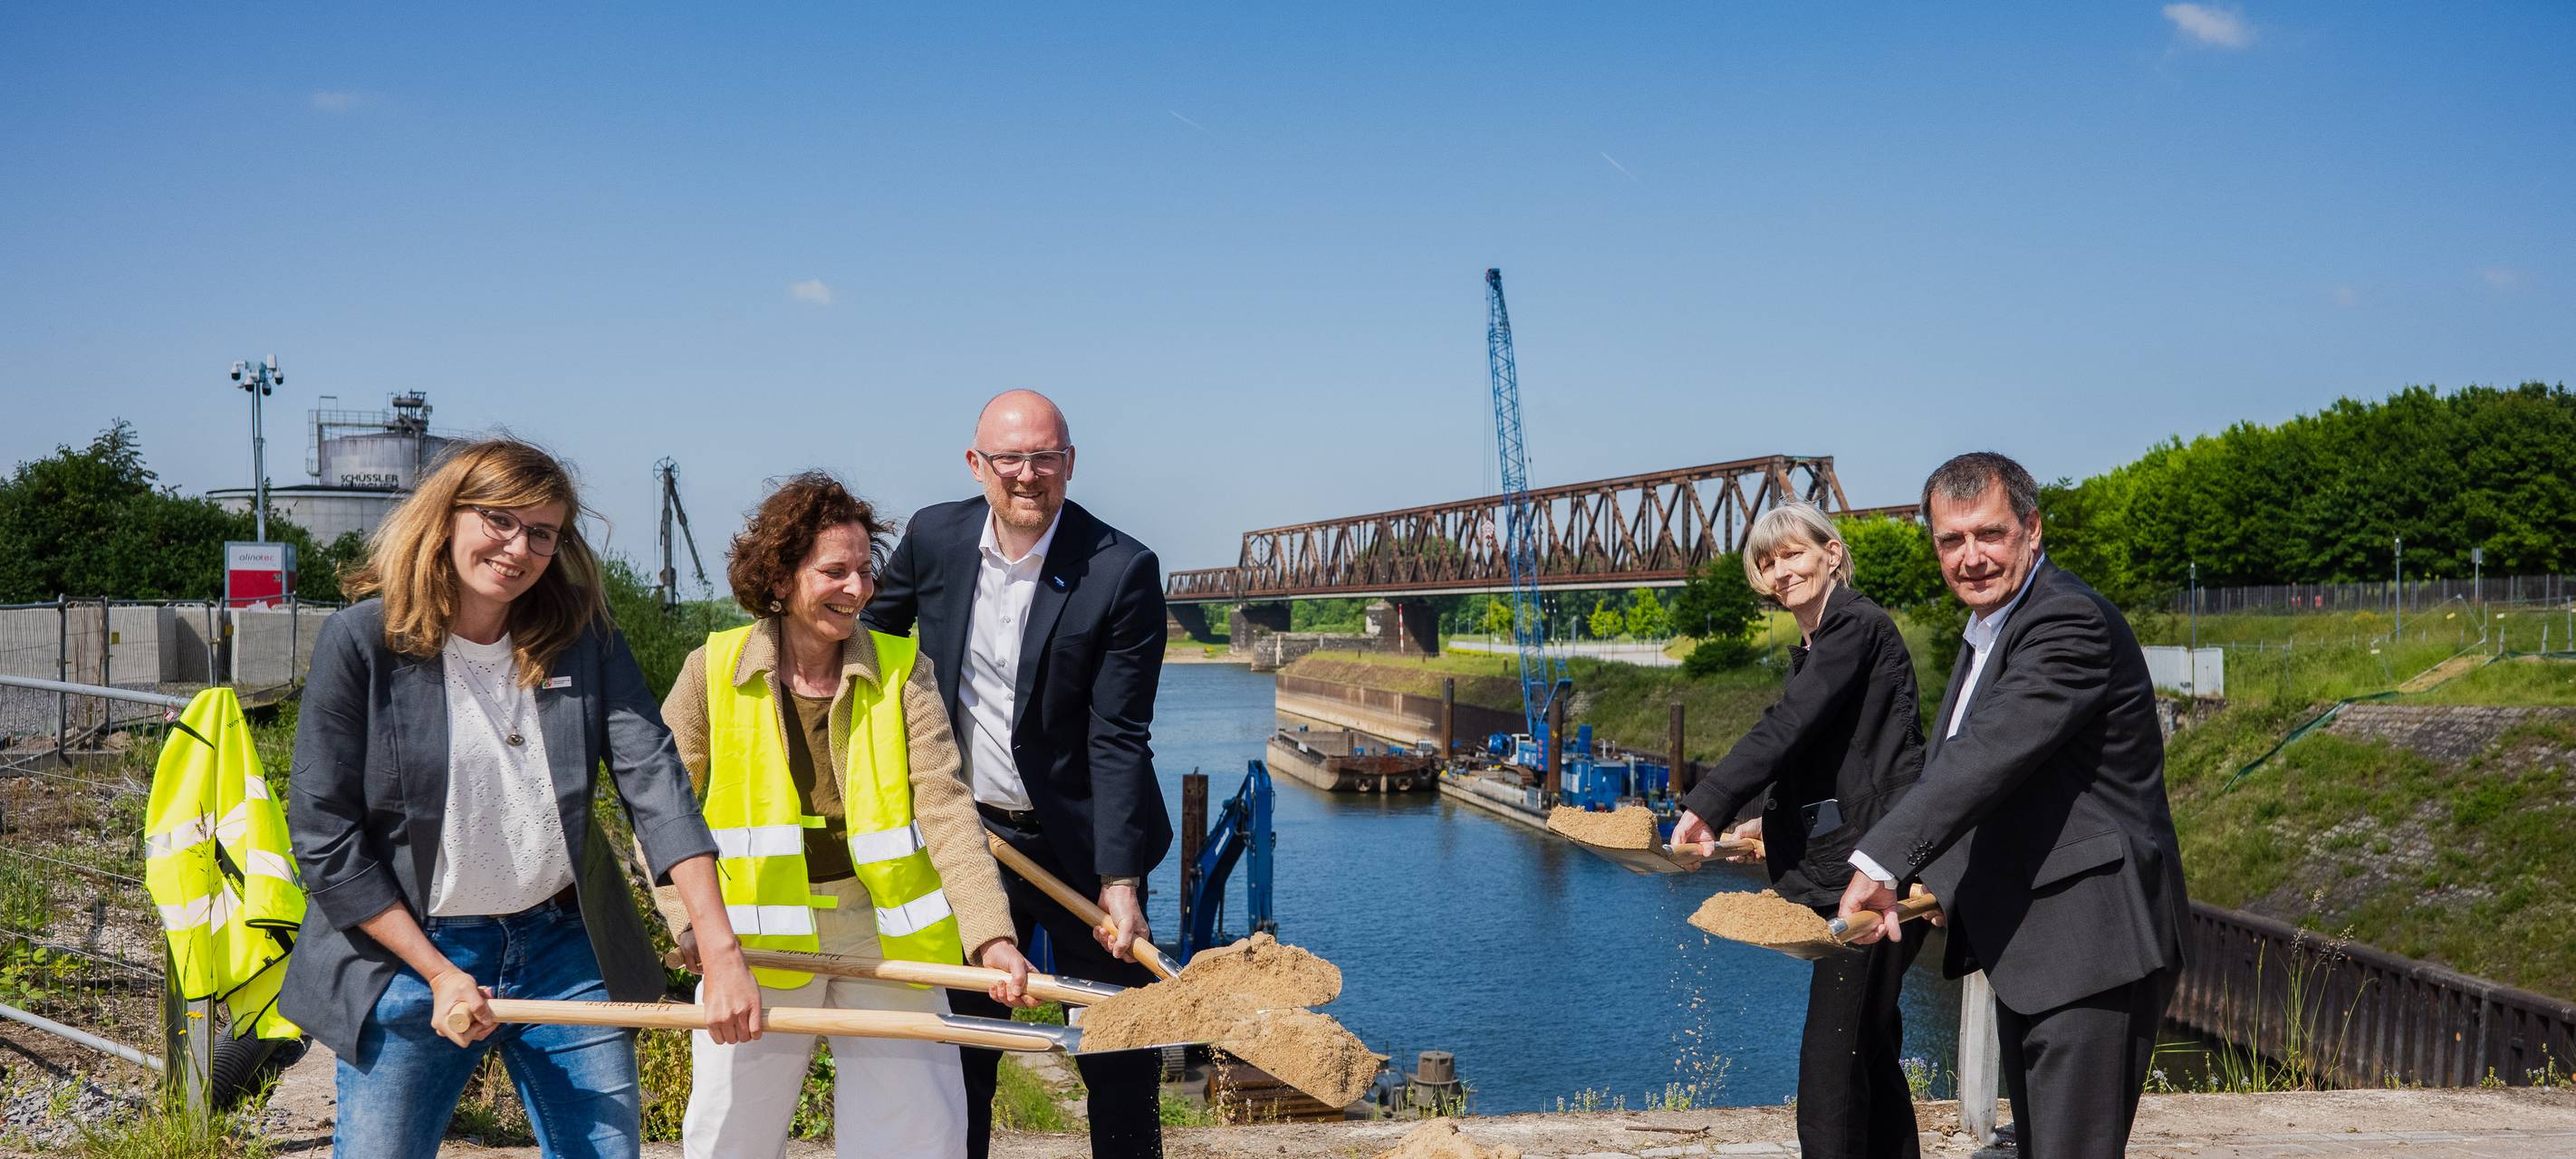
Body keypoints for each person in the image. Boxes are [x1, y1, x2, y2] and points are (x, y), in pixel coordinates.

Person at [282, 438, 761, 1159]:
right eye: (500, 520)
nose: (519, 547)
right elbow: (324, 835)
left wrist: (721, 950)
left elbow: (656, 782)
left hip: (563, 948)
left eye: (542, 532)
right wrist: (441, 975)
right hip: (412, 958)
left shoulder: (584, 641)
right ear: (446, 518)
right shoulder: (363, 643)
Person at [653, 471, 1039, 1159]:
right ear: (778, 577)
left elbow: (946, 808)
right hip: (750, 942)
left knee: (918, 1135)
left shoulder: (901, 669)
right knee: (727, 1134)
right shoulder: (710, 672)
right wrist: (689, 926)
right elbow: (659, 811)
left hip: (883, 936)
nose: (858, 588)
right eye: (835, 571)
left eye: (866, 569)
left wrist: (991, 939)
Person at [1838, 452, 2187, 1158]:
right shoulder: (1993, 628)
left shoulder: (2066, 622)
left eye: (1988, 534)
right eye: (1951, 540)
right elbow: (1981, 782)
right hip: (2039, 944)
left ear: (2031, 529)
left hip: (2093, 942)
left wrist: (1881, 861)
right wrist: (1931, 878)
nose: (1971, 557)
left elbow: (1988, 755)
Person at [864, 388, 1171, 1159]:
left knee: (1118, 1046)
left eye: (1045, 457)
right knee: (966, 1048)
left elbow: (1120, 733)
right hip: (972, 841)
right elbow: (870, 635)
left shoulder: (1120, 568)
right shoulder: (935, 536)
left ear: (1070, 463)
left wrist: (1121, 878)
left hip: (1079, 840)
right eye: (1010, 458)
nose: (1027, 475)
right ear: (978, 464)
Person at [1668, 503, 1929, 1159]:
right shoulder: (1819, 643)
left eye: (1792, 554)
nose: (1780, 571)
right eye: (1767, 561)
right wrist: (1759, 817)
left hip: (1880, 872)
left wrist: (1708, 806)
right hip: (1863, 858)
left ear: (1832, 553)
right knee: (1868, 1048)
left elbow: (1789, 724)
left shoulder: (1854, 627)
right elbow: (1813, 752)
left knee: (1830, 1062)